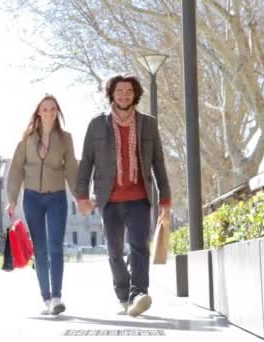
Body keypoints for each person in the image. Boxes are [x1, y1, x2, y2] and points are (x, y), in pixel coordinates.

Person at [75, 74, 171, 317]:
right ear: (112, 94)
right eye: (119, 91)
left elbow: (158, 162)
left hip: (139, 197)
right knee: (115, 251)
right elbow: (86, 162)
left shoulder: (148, 123)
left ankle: (139, 293)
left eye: (129, 91)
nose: (124, 95)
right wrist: (81, 195)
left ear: (135, 94)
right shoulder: (97, 124)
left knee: (139, 247)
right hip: (109, 198)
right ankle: (123, 296)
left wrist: (165, 198)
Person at [6, 94, 78, 315]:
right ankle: (46, 299)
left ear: (57, 112)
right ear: (39, 112)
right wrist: (12, 199)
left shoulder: (65, 138)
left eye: (53, 109)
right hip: (32, 199)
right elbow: (16, 169)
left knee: (56, 247)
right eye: (45, 109)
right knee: (40, 249)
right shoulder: (27, 139)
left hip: (56, 197)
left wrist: (79, 196)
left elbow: (72, 169)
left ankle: (57, 296)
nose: (49, 112)